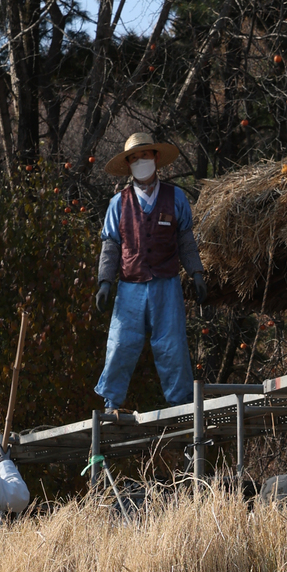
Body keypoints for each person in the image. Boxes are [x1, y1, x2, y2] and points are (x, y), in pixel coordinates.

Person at [94, 132, 207, 416]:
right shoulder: (117, 203)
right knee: (121, 343)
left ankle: (180, 404)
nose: (140, 162)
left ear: (156, 158)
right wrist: (105, 282)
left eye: (144, 156)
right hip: (130, 286)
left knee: (172, 344)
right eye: (133, 158)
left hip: (166, 284)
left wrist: (196, 273)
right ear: (128, 164)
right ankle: (111, 404)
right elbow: (110, 245)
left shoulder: (175, 197)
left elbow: (186, 240)